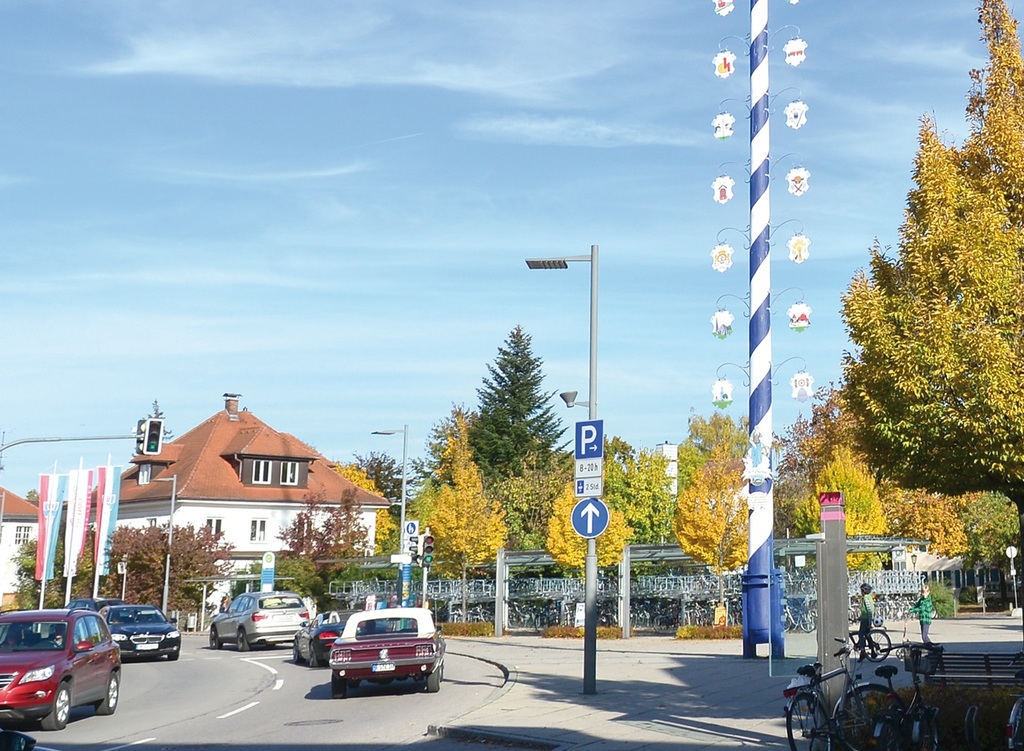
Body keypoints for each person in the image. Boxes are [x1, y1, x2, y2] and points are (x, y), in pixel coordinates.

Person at [856, 582, 876, 657]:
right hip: (865, 618)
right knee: (867, 635)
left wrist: (869, 623)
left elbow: (869, 610)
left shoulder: (866, 598)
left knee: (861, 634)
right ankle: (873, 652)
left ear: (864, 591)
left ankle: (863, 650)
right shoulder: (869, 597)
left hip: (866, 619)